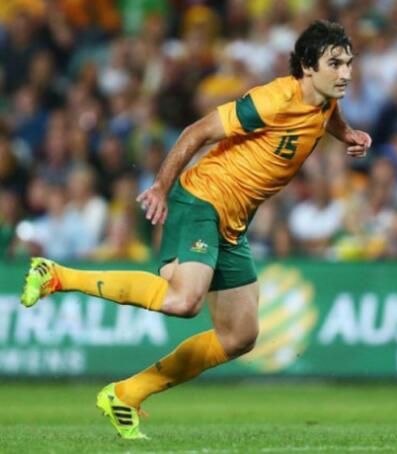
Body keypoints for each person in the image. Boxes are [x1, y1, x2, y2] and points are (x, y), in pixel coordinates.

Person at [19, 20, 370, 440]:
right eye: (336, 64)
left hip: (233, 222)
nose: (346, 73)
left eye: (349, 63)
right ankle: (57, 275)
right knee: (184, 300)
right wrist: (160, 187)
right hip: (202, 199)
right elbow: (197, 132)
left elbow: (328, 114)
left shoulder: (324, 101)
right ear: (308, 67)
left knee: (240, 336)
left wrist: (347, 133)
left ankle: (126, 394)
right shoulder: (273, 100)